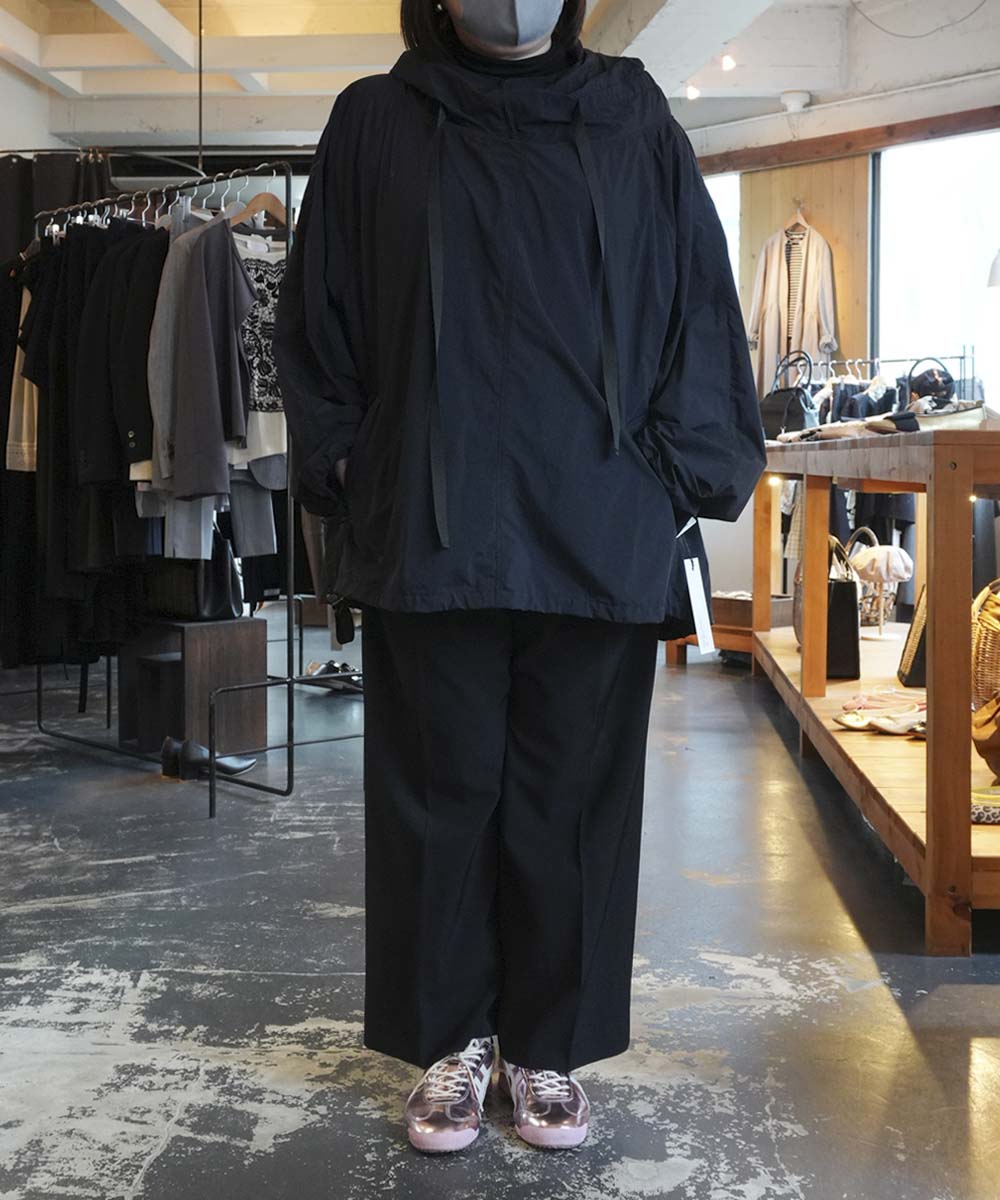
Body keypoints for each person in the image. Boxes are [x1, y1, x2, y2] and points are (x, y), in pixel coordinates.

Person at [274, 0, 765, 1155]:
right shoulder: (377, 120)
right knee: (437, 796)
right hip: (429, 521)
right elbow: (320, 314)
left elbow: (697, 302)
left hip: (594, 517)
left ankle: (547, 1040)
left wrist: (666, 477)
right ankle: (452, 1039)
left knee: (572, 799)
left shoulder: (628, 115)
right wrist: (353, 462)